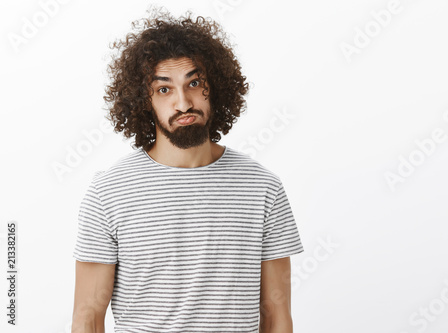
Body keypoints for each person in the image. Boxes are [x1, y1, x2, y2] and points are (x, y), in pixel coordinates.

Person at [72, 7, 304, 333]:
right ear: (144, 100)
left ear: (217, 88)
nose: (183, 103)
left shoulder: (263, 188)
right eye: (164, 89)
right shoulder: (109, 193)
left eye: (194, 83)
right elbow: (87, 320)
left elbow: (277, 317)